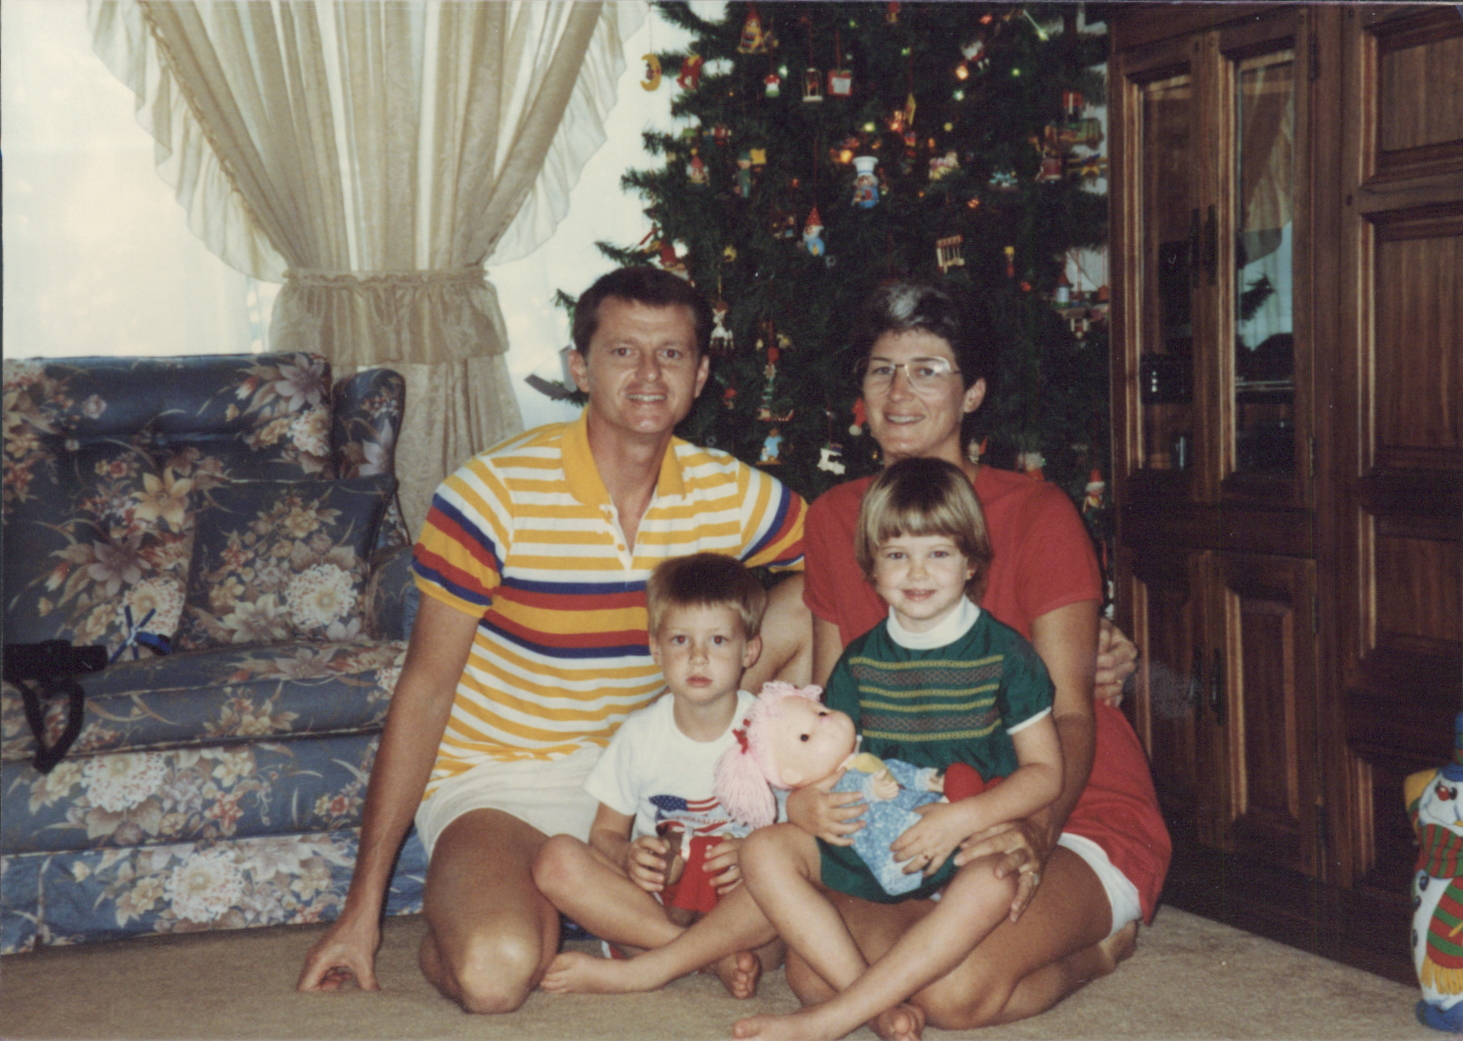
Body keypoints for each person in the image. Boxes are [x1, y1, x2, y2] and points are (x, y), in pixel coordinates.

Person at [295, 267, 808, 1013]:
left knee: (813, 598)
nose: (648, 374)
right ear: (580, 368)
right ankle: (565, 927)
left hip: (649, 772)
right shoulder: (490, 494)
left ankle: (652, 915)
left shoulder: (731, 492)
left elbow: (854, 557)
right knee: (494, 975)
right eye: (623, 351)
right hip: (499, 784)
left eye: (670, 354)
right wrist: (361, 908)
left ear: (699, 375)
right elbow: (426, 689)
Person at [791, 278, 1170, 1037]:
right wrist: (810, 800)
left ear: (973, 394)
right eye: (881, 369)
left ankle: (1099, 950)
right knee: (811, 970)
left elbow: (1070, 712)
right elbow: (833, 715)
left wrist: (1037, 829)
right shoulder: (834, 517)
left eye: (927, 369)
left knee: (953, 991)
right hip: (907, 810)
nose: (899, 391)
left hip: (1062, 795)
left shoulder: (1037, 511)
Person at [731, 456, 1066, 1041]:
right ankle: (877, 1006)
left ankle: (834, 1018)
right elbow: (828, 763)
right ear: (872, 567)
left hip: (966, 838)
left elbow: (1044, 774)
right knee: (763, 851)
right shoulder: (860, 662)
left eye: (938, 553)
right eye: (895, 555)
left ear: (970, 563)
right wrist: (804, 806)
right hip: (877, 839)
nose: (916, 572)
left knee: (994, 878)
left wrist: (962, 817)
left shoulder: (1006, 655)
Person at [533, 553, 783, 996]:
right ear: (656, 649)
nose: (698, 657)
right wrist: (628, 855)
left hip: (740, 911)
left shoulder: (770, 728)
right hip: (656, 908)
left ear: (750, 650)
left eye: (719, 640)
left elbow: (797, 836)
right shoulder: (640, 734)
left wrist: (751, 856)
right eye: (681, 640)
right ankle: (706, 958)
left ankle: (659, 965)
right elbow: (605, 834)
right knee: (556, 859)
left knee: (786, 891)